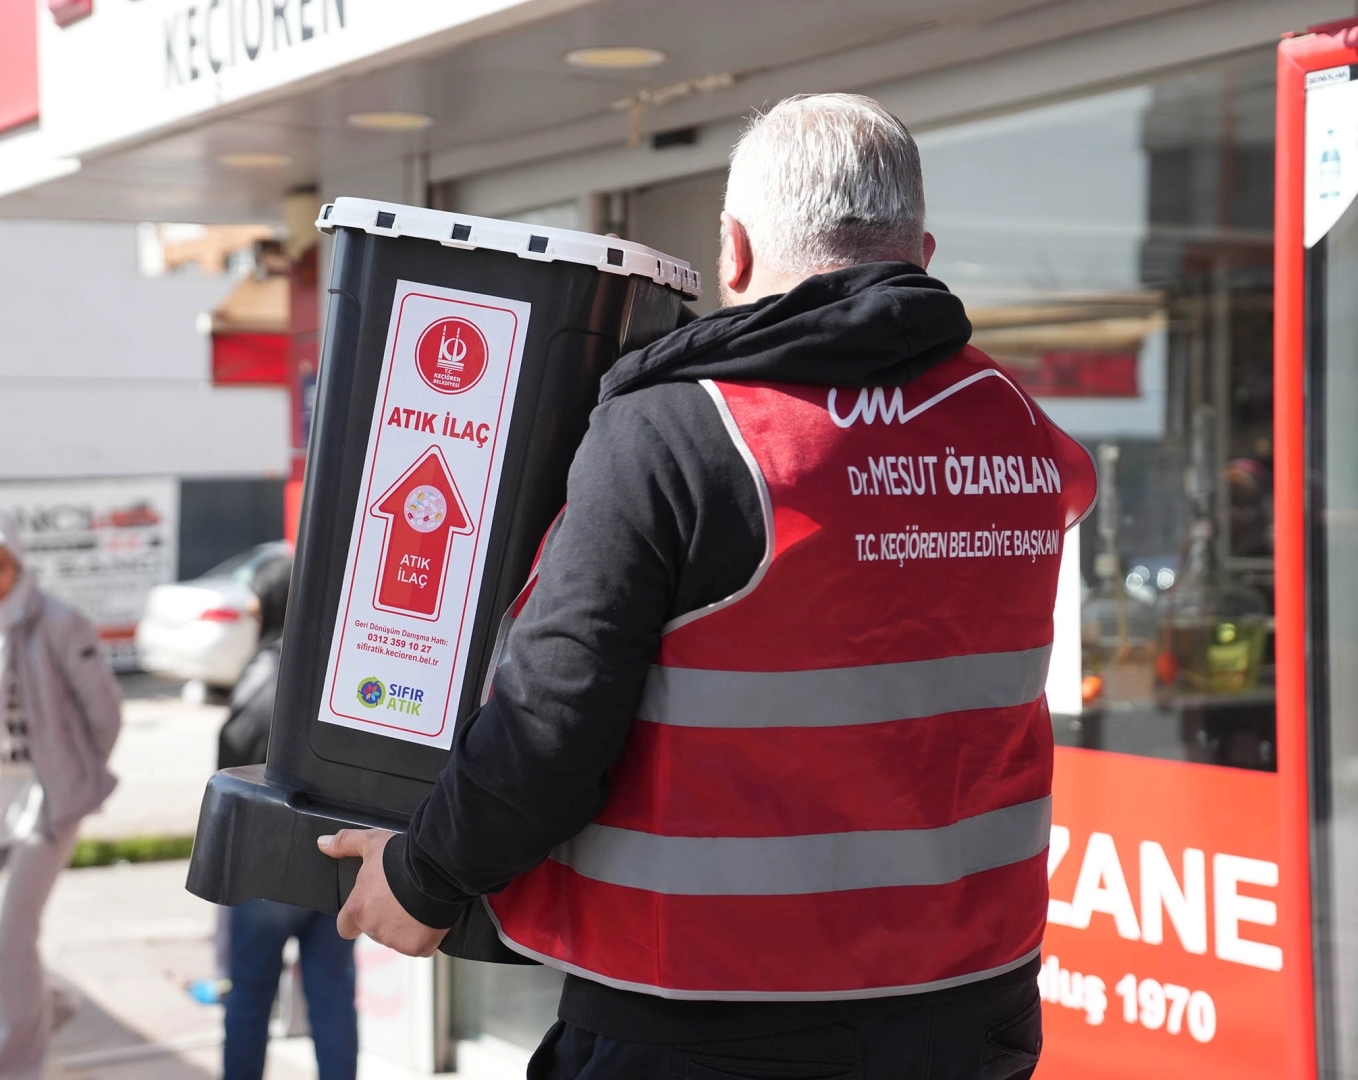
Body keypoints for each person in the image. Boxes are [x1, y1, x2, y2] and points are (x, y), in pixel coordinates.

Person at [319, 93, 1097, 1079]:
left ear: (733, 249)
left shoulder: (684, 435)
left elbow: (552, 720)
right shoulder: (1019, 429)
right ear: (922, 253)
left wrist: (424, 876)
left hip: (707, 1014)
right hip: (970, 1008)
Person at [0, 496, 124, 1080]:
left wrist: (75, 773)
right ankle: (42, 1010)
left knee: (15, 939)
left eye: (0, 565)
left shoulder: (58, 621)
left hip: (48, 802)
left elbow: (105, 712)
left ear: (17, 556)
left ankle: (17, 1065)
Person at [218, 552, 359, 1080]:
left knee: (250, 996)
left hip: (266, 861)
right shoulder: (341, 664)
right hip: (334, 857)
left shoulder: (267, 669)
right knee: (332, 995)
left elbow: (231, 754)